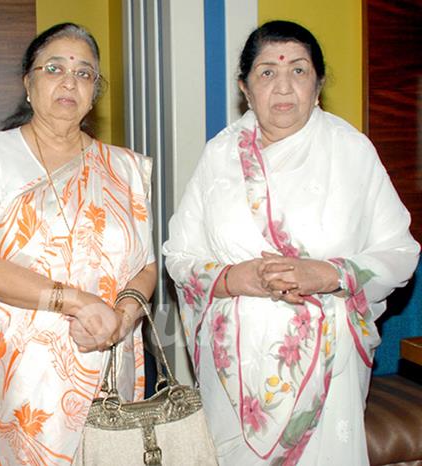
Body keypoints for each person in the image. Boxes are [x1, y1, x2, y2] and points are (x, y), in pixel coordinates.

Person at [163, 20, 419, 465]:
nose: (283, 86)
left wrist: (329, 274)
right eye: (267, 72)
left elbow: (400, 252)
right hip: (234, 373)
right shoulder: (220, 155)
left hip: (328, 368)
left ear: (318, 85)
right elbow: (178, 256)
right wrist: (233, 278)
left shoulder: (351, 152)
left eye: (298, 71)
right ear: (245, 88)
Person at [0, 23, 156, 464]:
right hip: (21, 370)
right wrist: (79, 302)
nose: (70, 81)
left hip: (109, 353)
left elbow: (147, 267)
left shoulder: (124, 168)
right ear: (28, 83)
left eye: (85, 73)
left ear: (95, 90)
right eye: (54, 68)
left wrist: (121, 318)